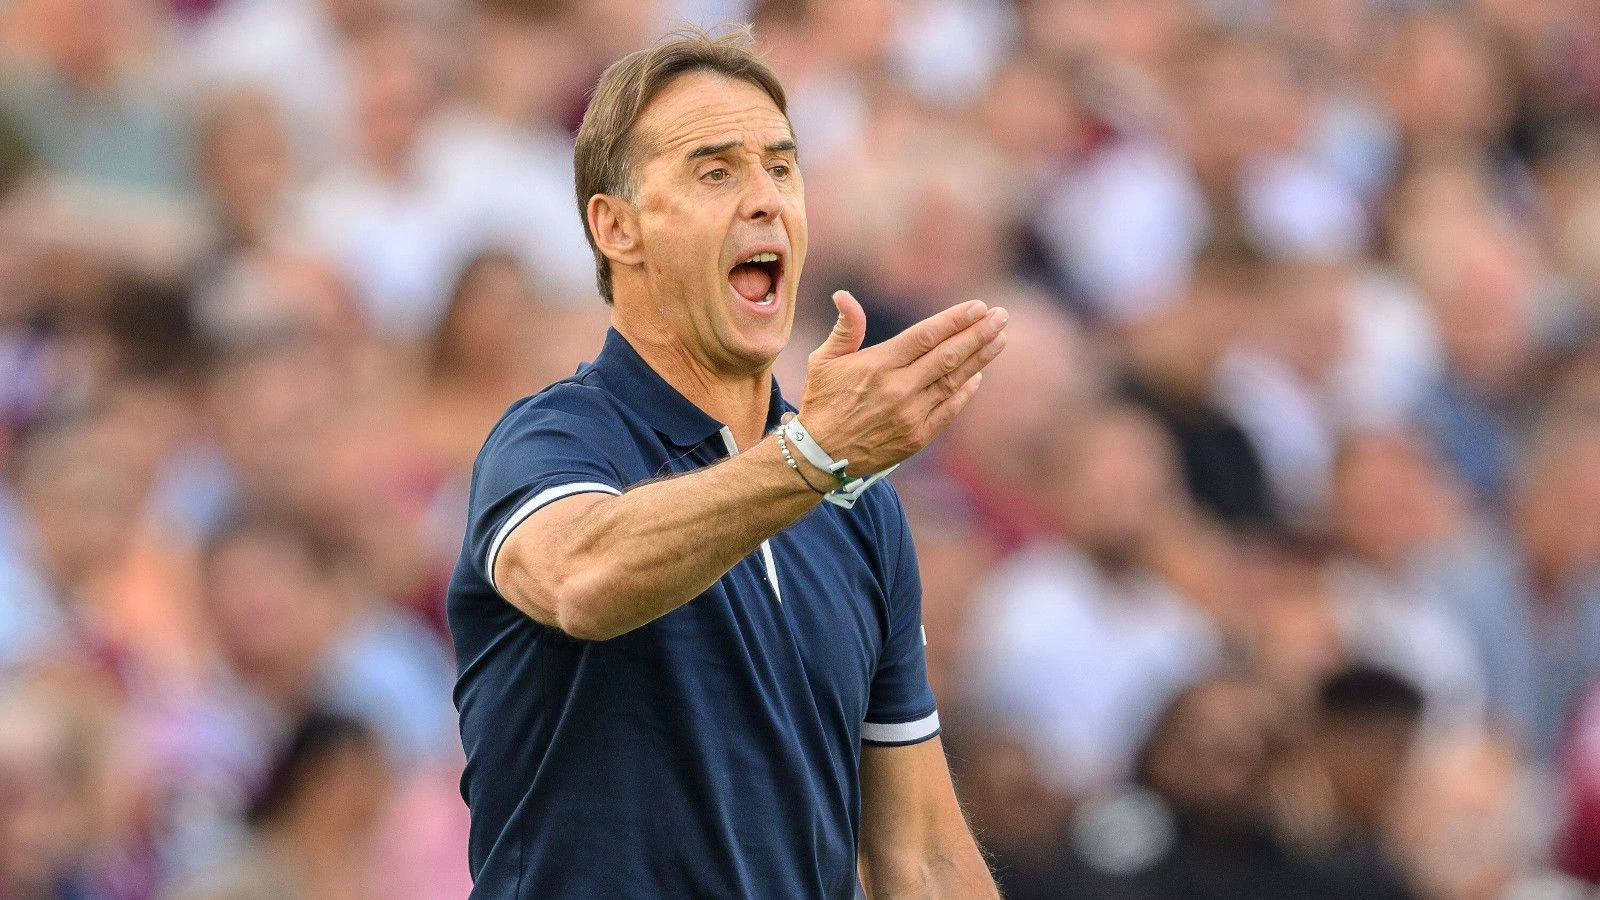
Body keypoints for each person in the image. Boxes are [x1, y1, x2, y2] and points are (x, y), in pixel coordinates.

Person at [446, 27, 1005, 899]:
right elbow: (582, 581)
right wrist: (812, 456)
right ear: (616, 227)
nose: (766, 200)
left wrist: (818, 460)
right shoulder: (551, 440)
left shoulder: (859, 505)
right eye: (715, 172)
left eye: (782, 168)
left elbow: (923, 855)